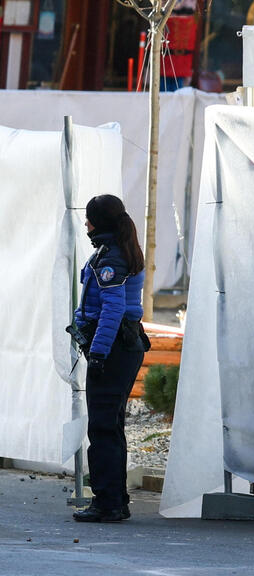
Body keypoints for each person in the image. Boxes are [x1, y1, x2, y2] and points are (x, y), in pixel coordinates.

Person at [71, 195, 148, 523]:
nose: (86, 225)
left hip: (115, 348)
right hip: (121, 346)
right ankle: (115, 499)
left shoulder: (110, 258)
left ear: (99, 222)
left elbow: (113, 309)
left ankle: (107, 504)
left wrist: (99, 353)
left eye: (89, 219)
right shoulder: (112, 250)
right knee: (110, 425)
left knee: (102, 427)